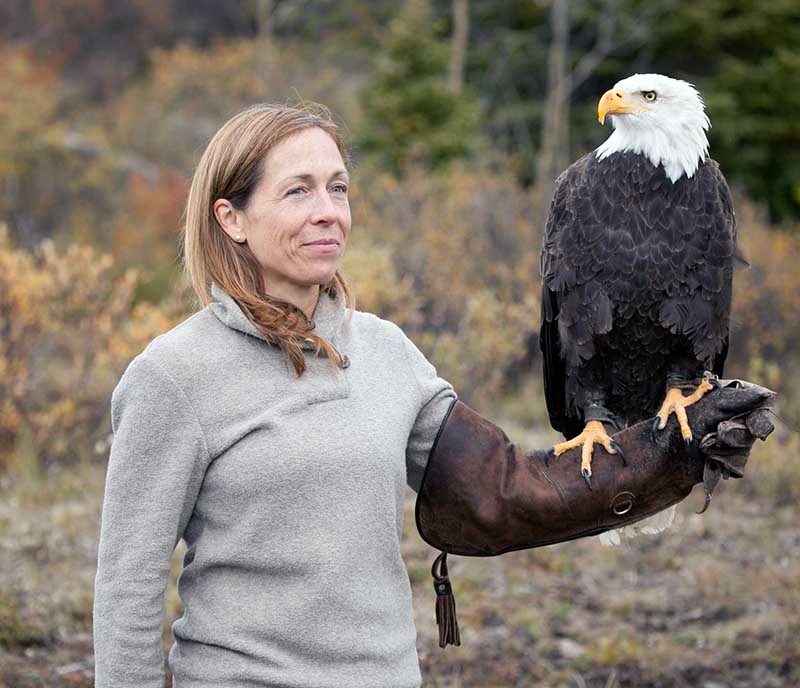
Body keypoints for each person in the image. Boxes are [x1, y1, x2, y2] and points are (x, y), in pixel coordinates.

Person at [92, 103, 767, 688]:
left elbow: (501, 494)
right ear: (231, 218)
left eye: (338, 188)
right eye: (298, 192)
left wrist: (666, 453)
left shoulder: (385, 352)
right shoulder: (174, 377)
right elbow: (127, 591)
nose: (329, 213)